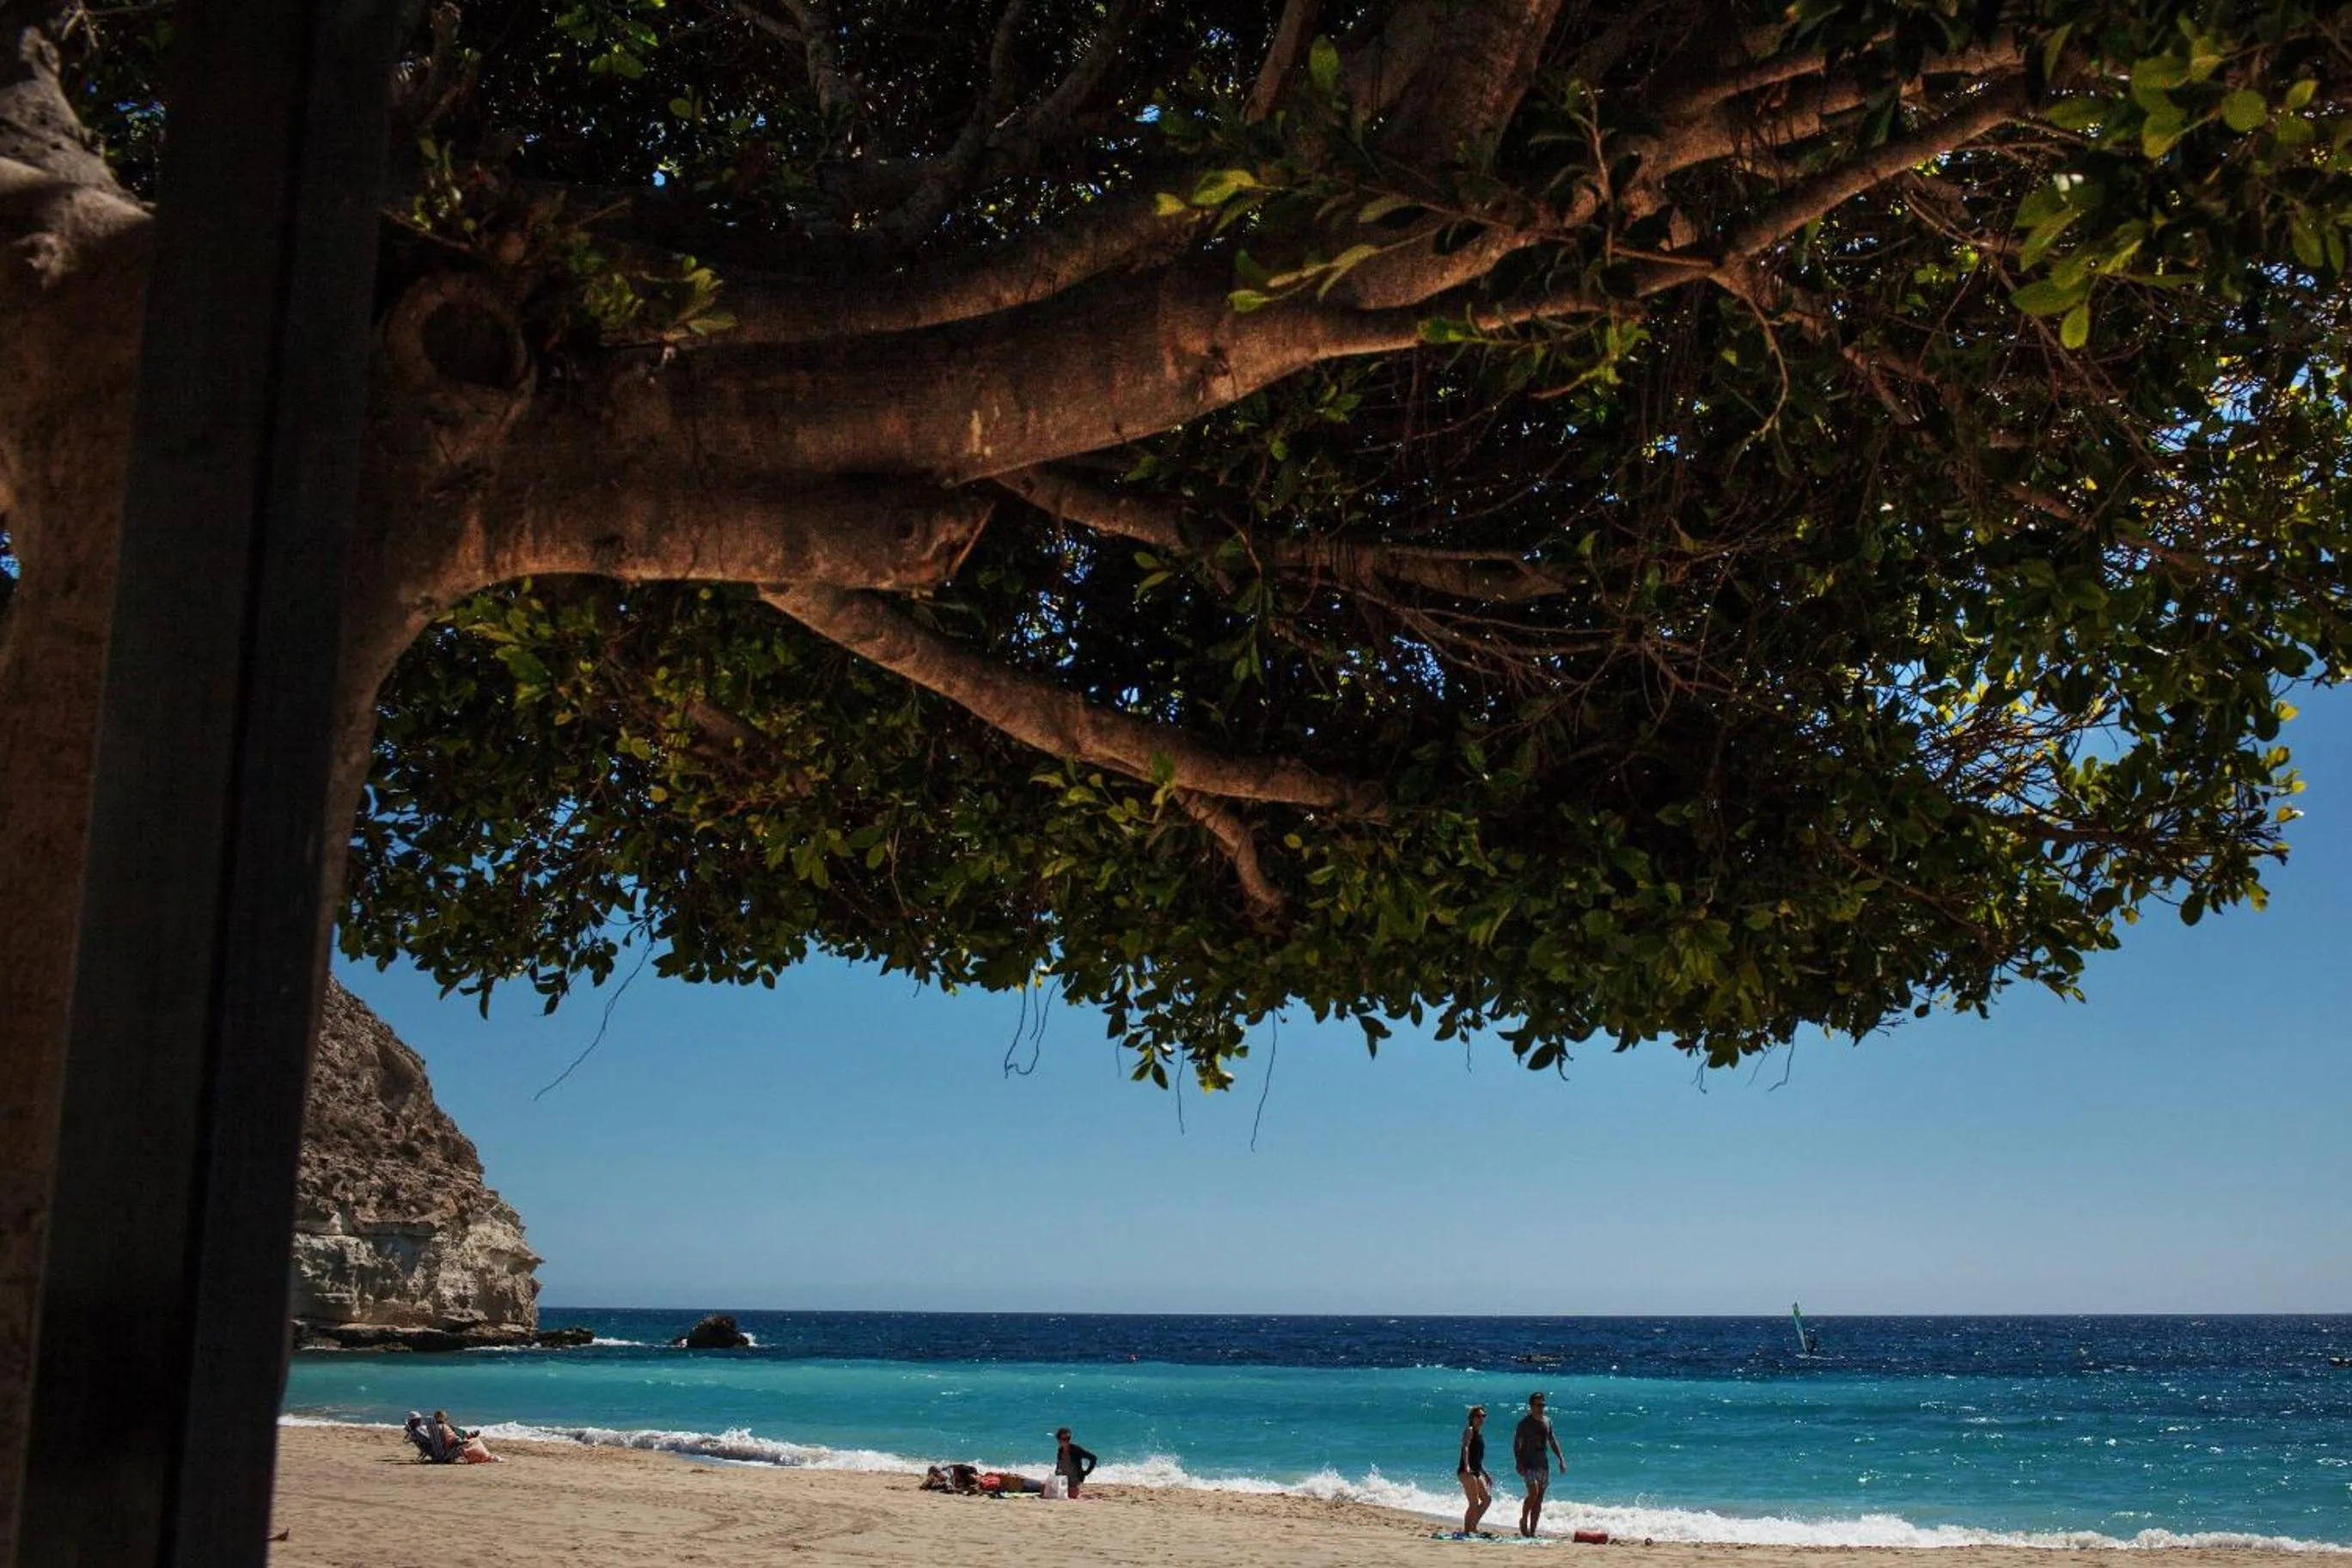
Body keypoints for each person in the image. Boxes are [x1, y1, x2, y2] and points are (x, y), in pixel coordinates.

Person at [1512, 1391, 1566, 1537]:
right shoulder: (1524, 1424)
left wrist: (1561, 1459)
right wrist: (1518, 1462)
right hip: (1528, 1464)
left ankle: (1532, 1531)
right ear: (1531, 1406)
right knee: (1533, 1492)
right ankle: (1524, 1519)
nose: (1541, 1407)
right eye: (1538, 1405)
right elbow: (1517, 1444)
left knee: (1539, 1499)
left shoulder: (1547, 1421)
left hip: (1543, 1464)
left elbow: (1552, 1441)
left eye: (1543, 1405)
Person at [1456, 1404, 1494, 1537]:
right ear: (1472, 1418)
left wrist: (1486, 1473)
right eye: (1478, 1416)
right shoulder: (1470, 1430)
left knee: (1487, 1499)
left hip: (1476, 1471)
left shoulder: (1479, 1435)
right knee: (1473, 1503)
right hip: (1466, 1471)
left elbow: (1477, 1459)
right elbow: (1465, 1448)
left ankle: (1472, 1526)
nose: (1481, 1418)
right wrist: (1466, 1466)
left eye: (1483, 1416)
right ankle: (1467, 1531)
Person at [431, 1408, 500, 1464]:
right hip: (452, 1448)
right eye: (446, 1418)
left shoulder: (434, 1428)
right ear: (442, 1418)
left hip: (446, 1448)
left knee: (472, 1440)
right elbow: (452, 1439)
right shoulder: (444, 1427)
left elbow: (449, 1438)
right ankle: (487, 1457)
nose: (447, 1419)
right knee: (476, 1441)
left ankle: (486, 1455)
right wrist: (461, 1440)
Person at [1052, 1426, 1097, 1497]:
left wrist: (1085, 1473)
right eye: (1064, 1439)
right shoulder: (1060, 1451)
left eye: (1068, 1439)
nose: (1066, 1441)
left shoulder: (1076, 1450)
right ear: (1058, 1439)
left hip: (1075, 1480)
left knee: (1071, 1495)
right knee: (1048, 1490)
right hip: (1063, 1479)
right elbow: (1059, 1465)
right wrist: (1057, 1472)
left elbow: (1093, 1458)